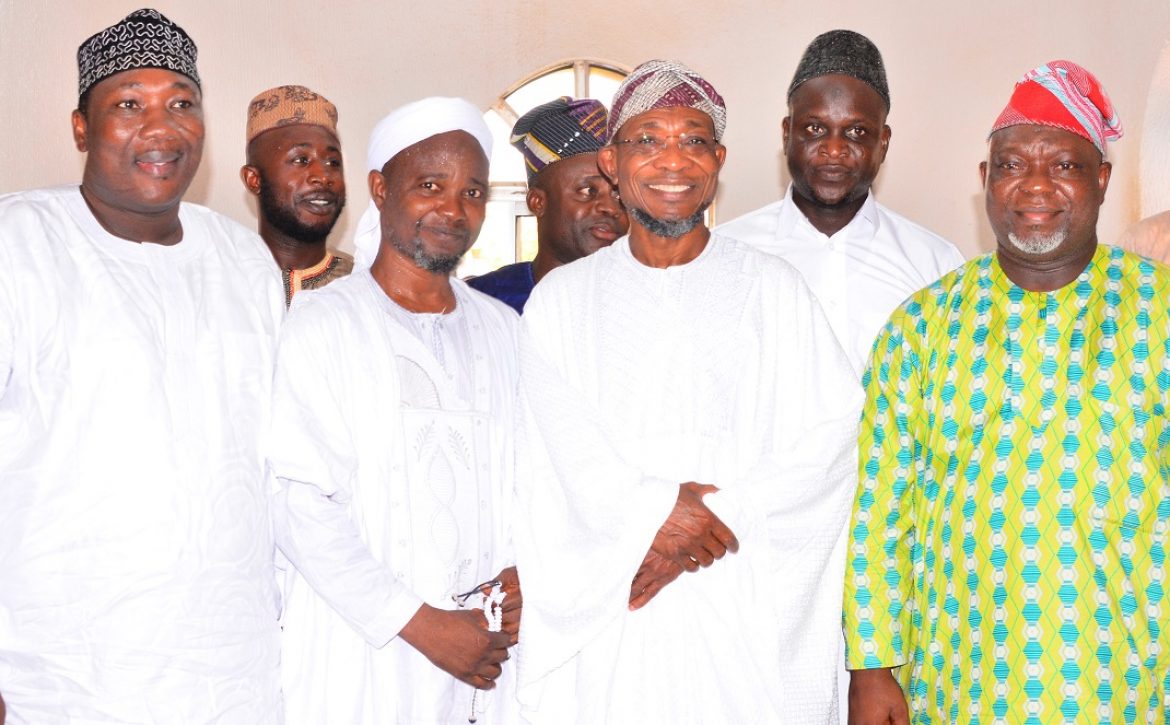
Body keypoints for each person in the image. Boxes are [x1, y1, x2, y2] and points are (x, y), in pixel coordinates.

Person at [514, 60, 860, 723]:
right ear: (612, 162)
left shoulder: (773, 288)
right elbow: (556, 457)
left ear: (718, 160)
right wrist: (657, 512)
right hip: (614, 620)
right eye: (648, 139)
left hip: (741, 615)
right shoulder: (562, 302)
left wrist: (713, 517)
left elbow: (833, 438)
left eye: (693, 139)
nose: (672, 159)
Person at [845, 61, 1170, 723]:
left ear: (1102, 179)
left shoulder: (1159, 310)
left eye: (1066, 165)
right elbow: (882, 512)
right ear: (986, 180)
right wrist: (872, 666)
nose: (1037, 184)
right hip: (962, 679)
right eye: (1013, 163)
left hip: (1132, 682)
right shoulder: (921, 326)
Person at [0, 9, 283, 723]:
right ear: (80, 128)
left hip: (235, 673)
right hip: (64, 679)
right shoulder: (22, 243)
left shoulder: (243, 260)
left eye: (181, 104)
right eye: (129, 104)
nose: (162, 127)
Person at [269, 97, 522, 724]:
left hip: (490, 658)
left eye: (473, 192)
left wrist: (527, 575)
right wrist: (421, 624)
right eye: (430, 185)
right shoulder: (322, 325)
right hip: (361, 658)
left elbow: (537, 481)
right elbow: (297, 505)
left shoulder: (506, 331)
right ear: (380, 189)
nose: (453, 209)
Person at [718, 29, 963, 375]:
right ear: (787, 133)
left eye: (857, 132)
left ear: (884, 142)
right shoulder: (728, 251)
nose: (834, 149)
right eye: (815, 129)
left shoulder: (936, 265)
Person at [469, 96, 627, 312]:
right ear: (537, 202)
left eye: (619, 194)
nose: (611, 208)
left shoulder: (644, 304)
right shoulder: (484, 304)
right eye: (588, 191)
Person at [241, 84, 351, 305]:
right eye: (301, 160)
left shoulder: (365, 289)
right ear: (254, 180)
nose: (323, 176)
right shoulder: (219, 284)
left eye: (333, 162)